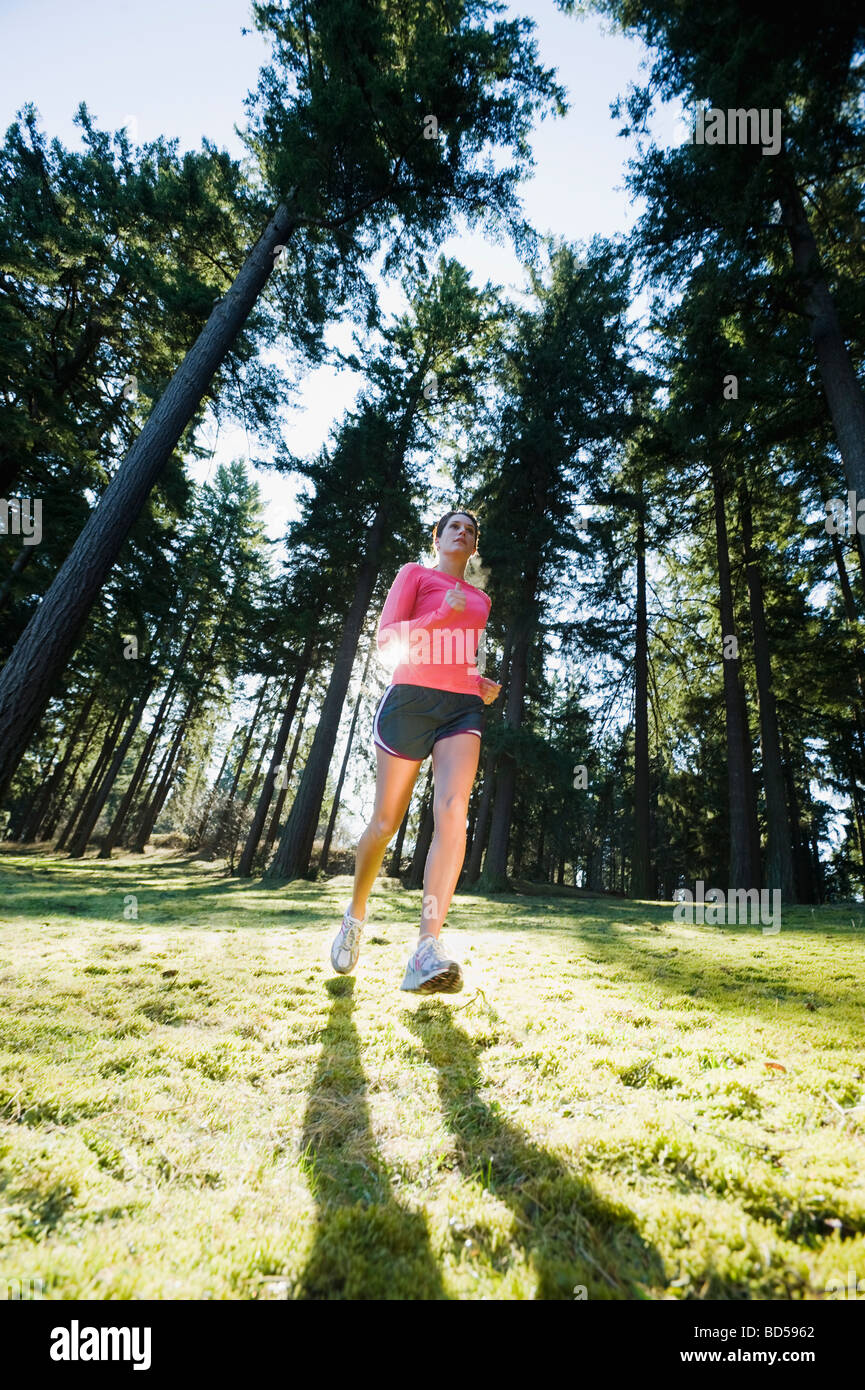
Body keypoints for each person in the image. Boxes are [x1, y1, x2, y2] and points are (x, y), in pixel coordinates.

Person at [330, 509, 500, 992]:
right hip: (409, 700)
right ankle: (355, 915)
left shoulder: (481, 600)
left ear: (473, 546)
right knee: (385, 823)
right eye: (454, 527)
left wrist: (478, 681)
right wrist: (437, 615)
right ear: (438, 538)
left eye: (471, 530)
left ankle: (426, 947)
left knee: (453, 812)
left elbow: (464, 657)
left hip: (461, 709)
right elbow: (386, 639)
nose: (463, 533)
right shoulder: (414, 575)